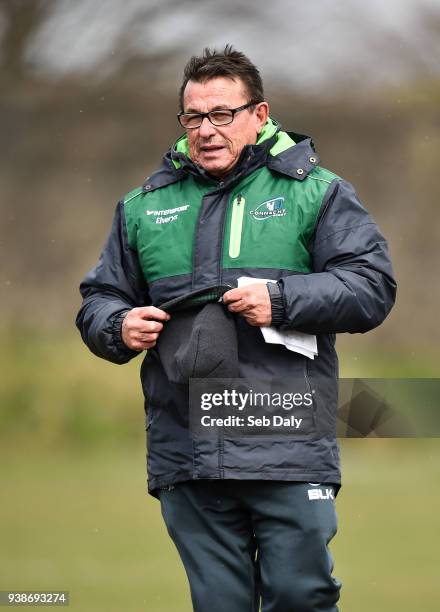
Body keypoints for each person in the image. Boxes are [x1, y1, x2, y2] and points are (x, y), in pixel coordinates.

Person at [76, 45, 396, 612]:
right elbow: (100, 298)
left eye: (222, 114)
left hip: (287, 439)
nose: (206, 129)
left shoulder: (317, 193)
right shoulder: (143, 208)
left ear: (259, 115)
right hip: (188, 447)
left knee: (302, 595)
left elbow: (371, 288)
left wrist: (281, 298)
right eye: (194, 117)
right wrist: (118, 324)